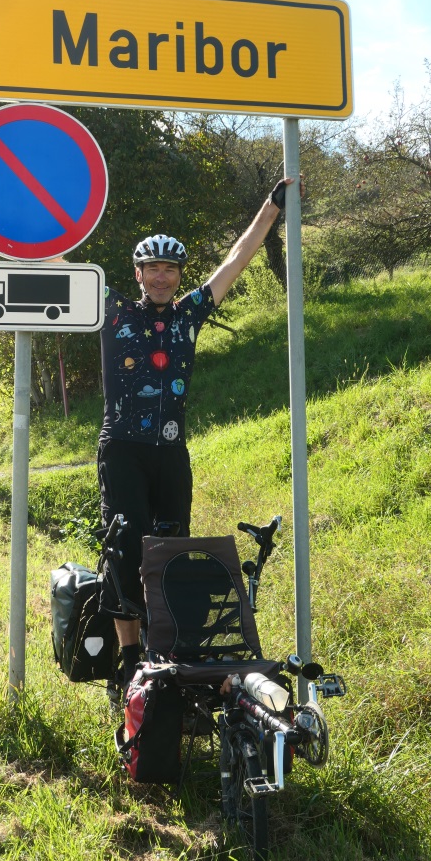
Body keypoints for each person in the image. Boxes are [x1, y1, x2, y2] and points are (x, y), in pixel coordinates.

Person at [98, 177, 303, 691]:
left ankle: (164, 648)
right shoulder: (113, 312)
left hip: (171, 452)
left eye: (170, 268)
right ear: (138, 273)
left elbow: (238, 257)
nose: (161, 277)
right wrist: (30, 234)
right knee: (126, 547)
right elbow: (63, 270)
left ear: (178, 274)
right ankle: (126, 660)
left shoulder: (191, 313)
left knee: (170, 550)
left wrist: (272, 208)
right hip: (122, 448)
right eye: (152, 268)